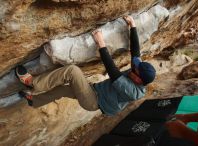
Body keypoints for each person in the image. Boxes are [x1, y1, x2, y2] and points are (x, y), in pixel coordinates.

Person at [15, 16, 156, 116]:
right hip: (95, 91)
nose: (133, 66)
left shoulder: (132, 91)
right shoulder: (138, 72)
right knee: (63, 90)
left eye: (135, 69)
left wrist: (101, 43)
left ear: (138, 80)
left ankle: (32, 83)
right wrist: (133, 25)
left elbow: (113, 72)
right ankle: (34, 101)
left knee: (72, 71)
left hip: (94, 101)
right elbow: (136, 52)